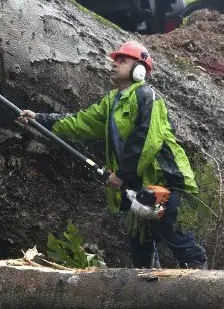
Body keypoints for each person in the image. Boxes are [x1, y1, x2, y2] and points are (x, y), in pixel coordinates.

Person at [16, 40, 208, 269]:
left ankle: (203, 281)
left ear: (139, 69)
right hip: (134, 189)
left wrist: (122, 174)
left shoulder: (147, 97)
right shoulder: (112, 102)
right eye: (115, 60)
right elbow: (81, 122)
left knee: (177, 238)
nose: (114, 64)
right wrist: (40, 120)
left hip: (163, 182)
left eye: (122, 60)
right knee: (140, 251)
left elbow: (146, 139)